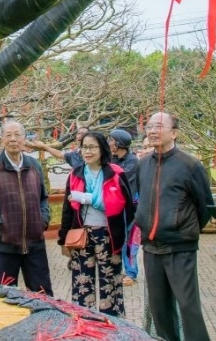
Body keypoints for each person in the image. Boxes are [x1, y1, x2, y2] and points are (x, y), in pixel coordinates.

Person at [133, 111, 212, 341]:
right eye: (149, 126)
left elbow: (204, 206)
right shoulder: (143, 164)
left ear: (174, 133)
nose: (152, 131)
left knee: (188, 306)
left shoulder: (190, 165)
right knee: (159, 308)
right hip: (151, 246)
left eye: (159, 126)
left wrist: (183, 227)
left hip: (180, 247)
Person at [58, 131, 135, 317]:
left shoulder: (115, 173)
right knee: (82, 281)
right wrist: (63, 239)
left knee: (110, 281)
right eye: (84, 147)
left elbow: (125, 205)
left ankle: (113, 323)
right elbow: (68, 210)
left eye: (92, 147)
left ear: (102, 149)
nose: (87, 151)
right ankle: (85, 321)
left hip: (109, 235)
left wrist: (87, 198)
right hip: (82, 236)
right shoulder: (75, 174)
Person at [0, 120, 53, 294]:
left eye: (17, 135)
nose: (13, 139)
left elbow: (43, 198)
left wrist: (43, 220)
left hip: (35, 244)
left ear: (24, 139)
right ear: (1, 140)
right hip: (4, 245)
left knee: (43, 294)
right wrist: (0, 224)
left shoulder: (34, 166)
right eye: (8, 135)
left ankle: (42, 322)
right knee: (6, 295)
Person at [108, 128, 139, 285]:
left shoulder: (132, 162)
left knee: (130, 241)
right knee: (118, 239)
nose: (109, 143)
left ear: (119, 143)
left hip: (131, 209)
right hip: (117, 208)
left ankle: (131, 273)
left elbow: (118, 181)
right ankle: (118, 270)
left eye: (111, 140)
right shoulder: (113, 160)